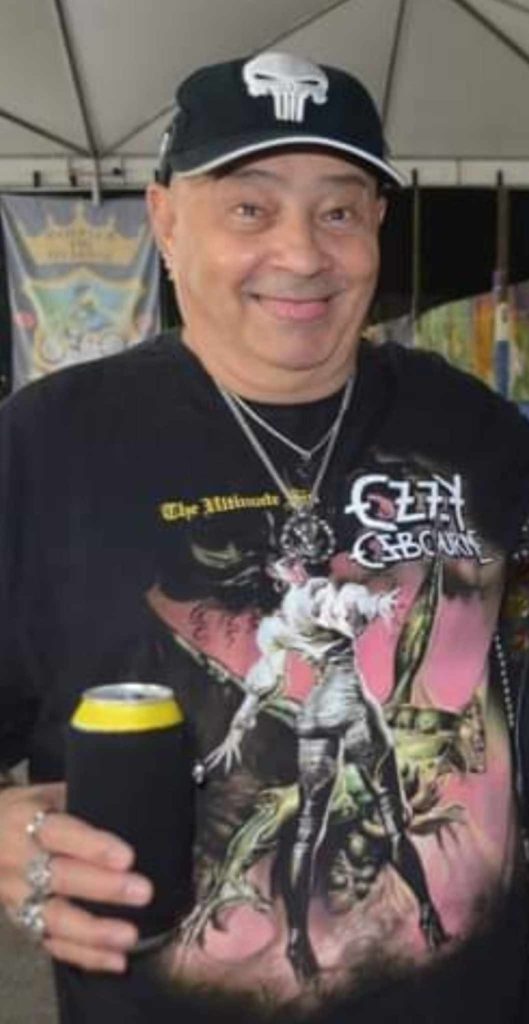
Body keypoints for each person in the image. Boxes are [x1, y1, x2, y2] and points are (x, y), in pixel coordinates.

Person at [1, 49, 529, 1024]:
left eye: (339, 211)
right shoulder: (44, 447)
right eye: (249, 207)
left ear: (377, 225)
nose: (301, 252)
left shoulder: (481, 435)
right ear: (165, 219)